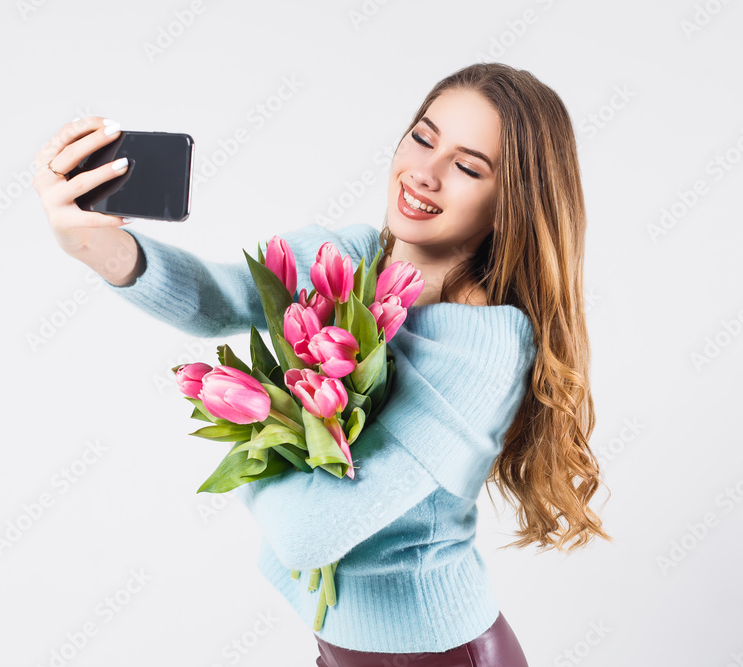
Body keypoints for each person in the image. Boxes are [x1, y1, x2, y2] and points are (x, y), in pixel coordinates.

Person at [31, 62, 611, 667]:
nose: (424, 173)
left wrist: (258, 437)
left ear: (510, 203)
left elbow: (306, 532)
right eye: (422, 137)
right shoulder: (357, 255)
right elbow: (225, 297)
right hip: (346, 650)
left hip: (439, 653)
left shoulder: (481, 344)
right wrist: (96, 246)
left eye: (467, 167)